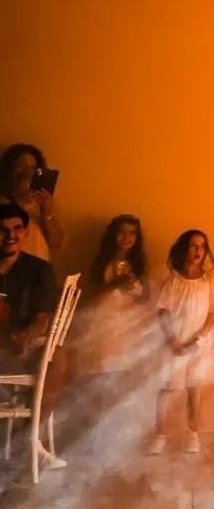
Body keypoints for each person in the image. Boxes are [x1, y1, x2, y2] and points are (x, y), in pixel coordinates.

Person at [0, 202, 65, 470]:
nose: (10, 235)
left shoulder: (39, 269)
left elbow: (43, 315)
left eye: (17, 228)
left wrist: (27, 337)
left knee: (57, 358)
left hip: (25, 339)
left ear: (26, 232)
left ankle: (30, 440)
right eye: (2, 230)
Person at [148, 230, 214, 455]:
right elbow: (162, 311)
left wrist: (198, 339)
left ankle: (193, 435)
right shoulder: (173, 281)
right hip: (174, 342)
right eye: (193, 245)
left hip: (198, 344)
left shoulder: (211, 281)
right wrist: (173, 341)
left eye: (202, 246)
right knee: (166, 389)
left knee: (195, 390)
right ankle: (159, 436)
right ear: (184, 249)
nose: (198, 250)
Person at [80, 215, 152, 376]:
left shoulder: (139, 265)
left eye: (132, 233)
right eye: (122, 232)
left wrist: (135, 293)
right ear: (113, 234)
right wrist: (114, 284)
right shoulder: (101, 261)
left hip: (127, 328)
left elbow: (147, 299)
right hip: (102, 326)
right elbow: (90, 295)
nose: (127, 238)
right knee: (100, 372)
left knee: (122, 375)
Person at [0, 143, 63, 261]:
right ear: (8, 170)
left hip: (38, 273)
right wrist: (20, 208)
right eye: (20, 166)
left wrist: (48, 215)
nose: (27, 173)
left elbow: (56, 242)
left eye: (32, 168)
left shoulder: (40, 202)